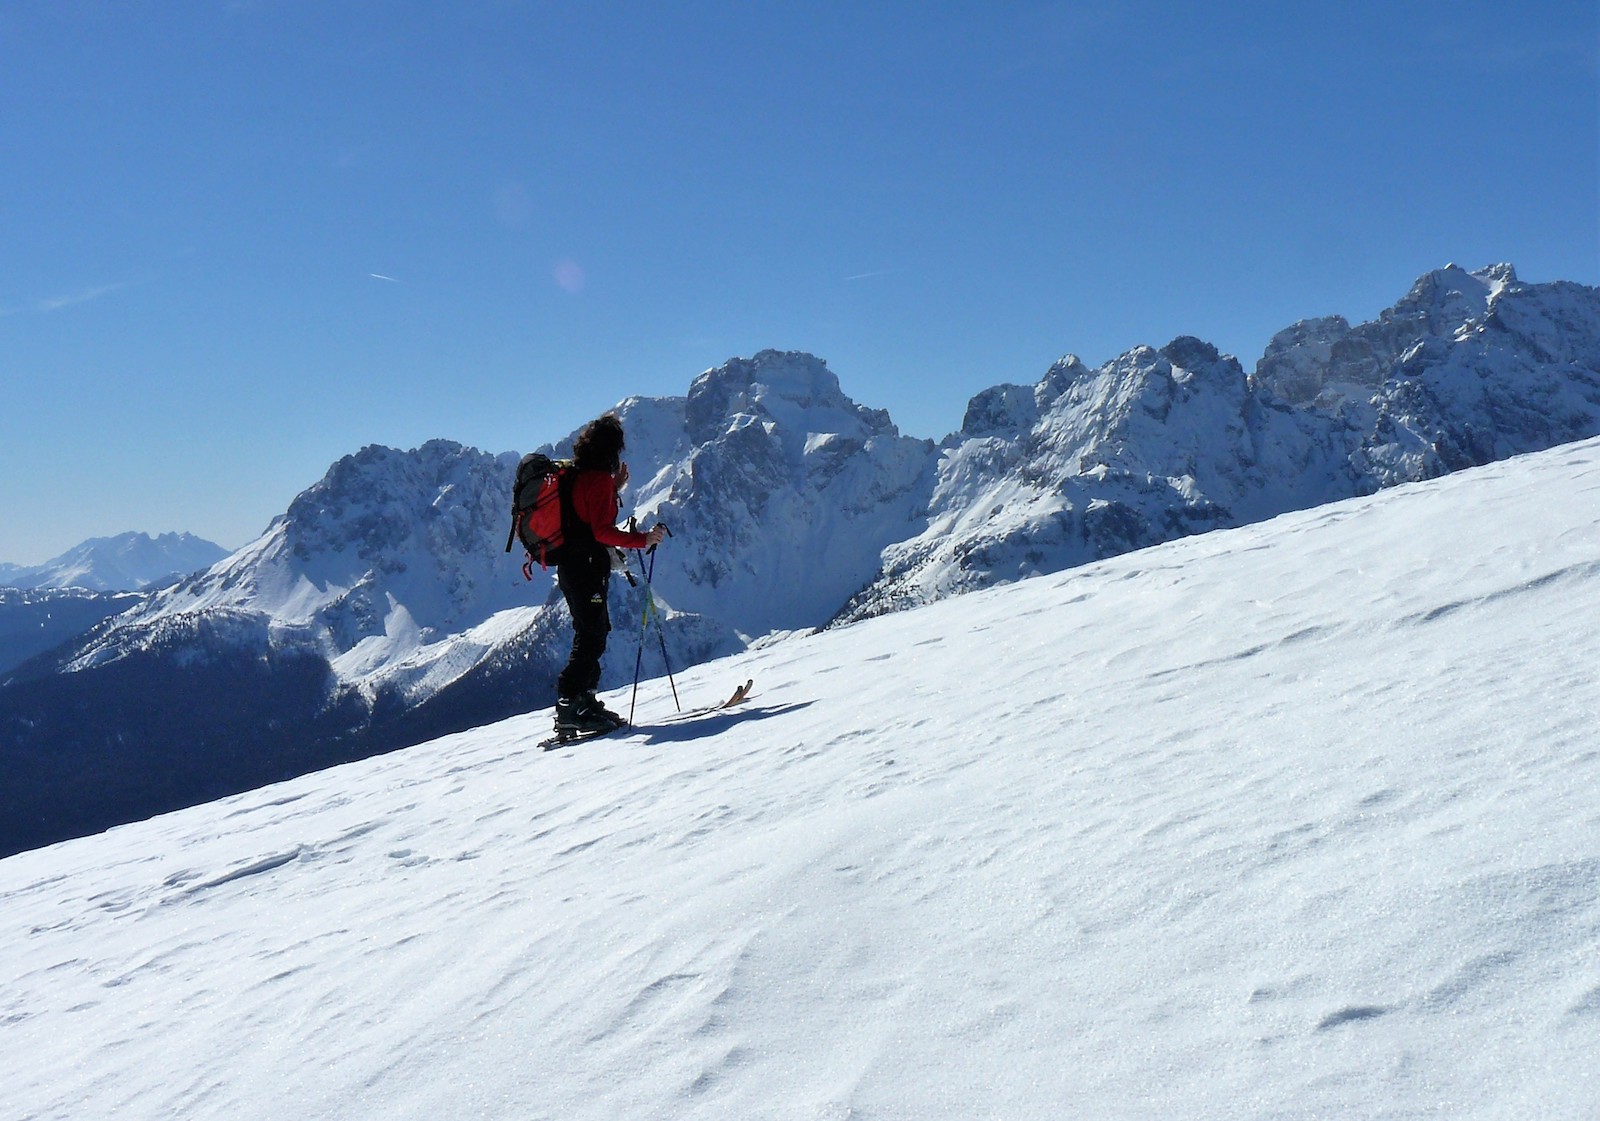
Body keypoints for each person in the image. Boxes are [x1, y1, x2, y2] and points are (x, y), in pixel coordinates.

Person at [553, 413, 666, 735]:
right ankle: (570, 706)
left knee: (593, 631)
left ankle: (584, 702)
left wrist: (614, 487)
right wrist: (642, 540)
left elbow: (585, 514)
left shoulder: (576, 474)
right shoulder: (597, 479)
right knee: (591, 636)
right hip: (586, 566)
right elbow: (602, 531)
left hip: (572, 566)